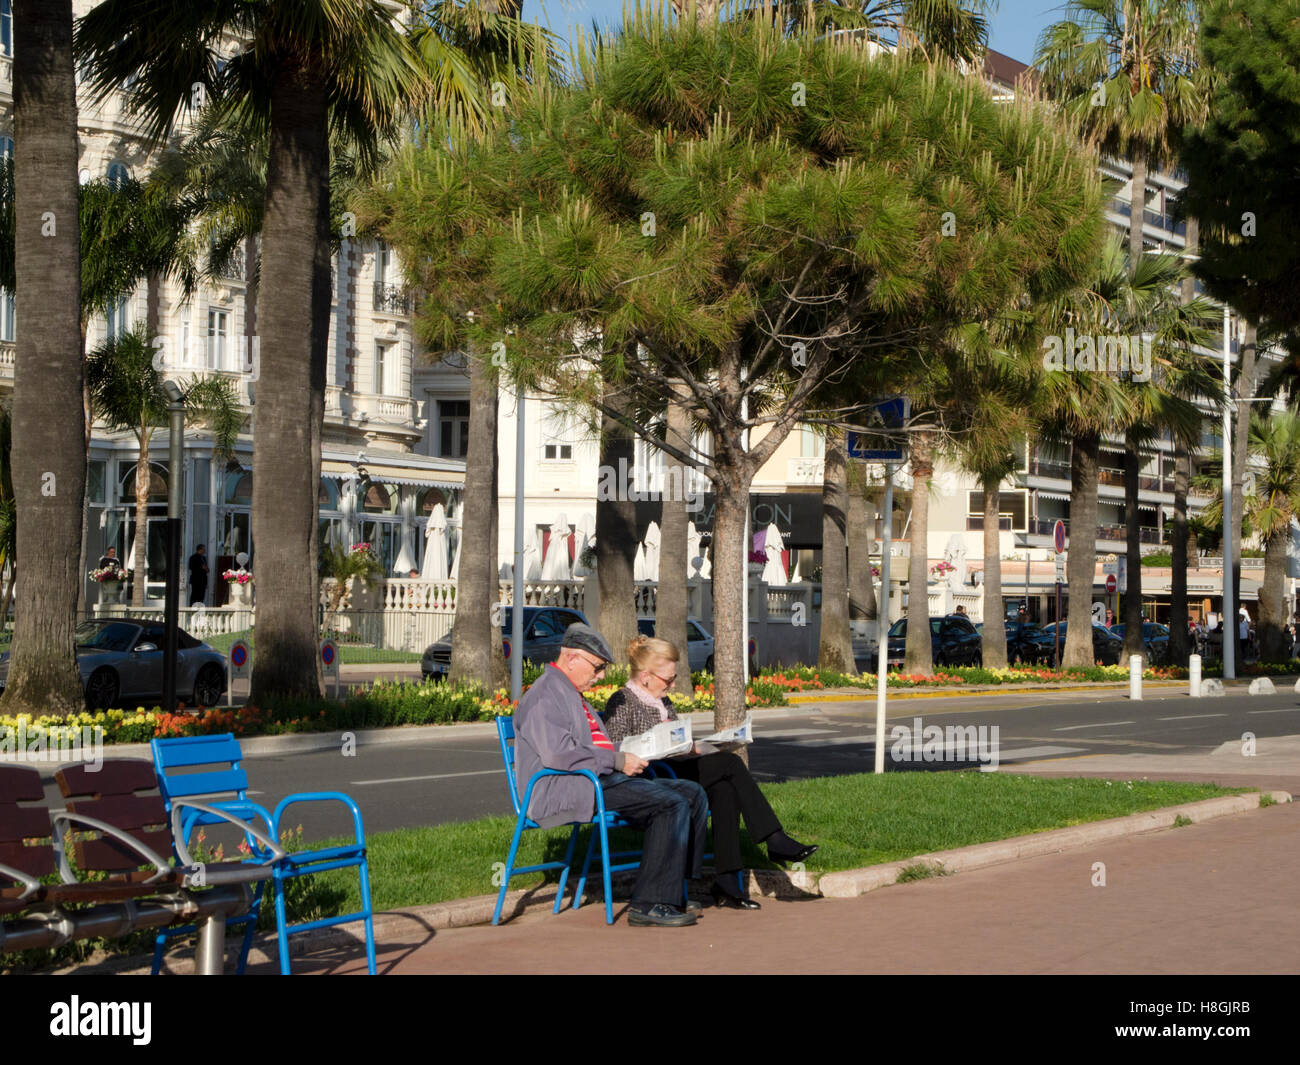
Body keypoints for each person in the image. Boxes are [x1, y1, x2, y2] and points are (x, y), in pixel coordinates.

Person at [513, 623, 708, 928]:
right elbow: (560, 755)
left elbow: (592, 747)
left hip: (593, 779)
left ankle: (678, 889)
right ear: (572, 658)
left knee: (692, 794)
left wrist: (638, 750)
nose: (601, 675)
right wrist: (617, 760)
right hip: (563, 787)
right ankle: (649, 903)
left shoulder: (571, 693)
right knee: (669, 803)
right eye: (598, 666)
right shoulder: (545, 696)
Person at [603, 635, 818, 911]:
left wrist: (693, 747)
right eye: (667, 679)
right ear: (645, 676)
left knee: (724, 789)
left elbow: (674, 739)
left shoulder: (663, 701)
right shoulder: (622, 700)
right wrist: (654, 746)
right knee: (729, 764)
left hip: (673, 767)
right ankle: (774, 838)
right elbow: (615, 748)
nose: (672, 684)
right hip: (647, 778)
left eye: (674, 677)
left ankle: (727, 884)